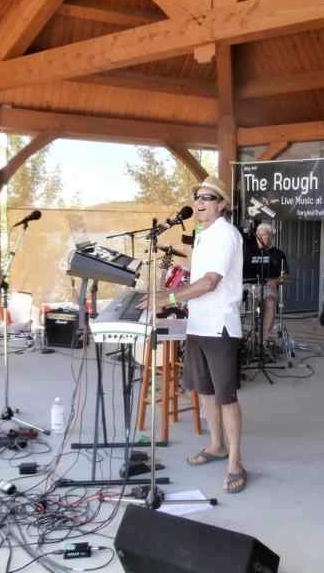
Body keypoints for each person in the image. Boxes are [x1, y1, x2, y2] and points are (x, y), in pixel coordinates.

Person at [138, 175, 246, 493]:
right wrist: (169, 291)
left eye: (208, 197)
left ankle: (235, 462)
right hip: (198, 324)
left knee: (226, 397)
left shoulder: (226, 234)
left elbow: (210, 282)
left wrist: (168, 298)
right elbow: (198, 279)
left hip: (219, 327)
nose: (199, 202)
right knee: (206, 391)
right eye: (197, 197)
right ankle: (217, 446)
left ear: (222, 205)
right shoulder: (203, 234)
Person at [253, 223, 288, 342]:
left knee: (270, 302)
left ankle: (263, 339)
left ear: (271, 236)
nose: (261, 237)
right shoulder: (250, 252)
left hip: (268, 287)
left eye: (264, 235)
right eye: (259, 235)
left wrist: (276, 280)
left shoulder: (278, 254)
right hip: (250, 286)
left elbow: (285, 275)